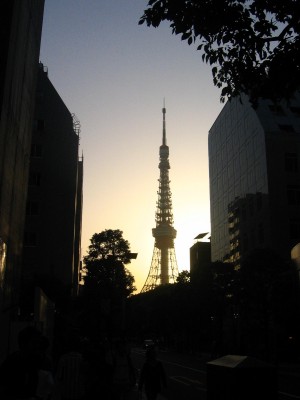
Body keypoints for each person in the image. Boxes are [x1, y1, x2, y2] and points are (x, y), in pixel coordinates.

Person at [0, 325, 43, 400]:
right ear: (23, 343)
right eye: (34, 343)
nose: (37, 346)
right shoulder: (12, 363)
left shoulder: (32, 361)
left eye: (38, 343)